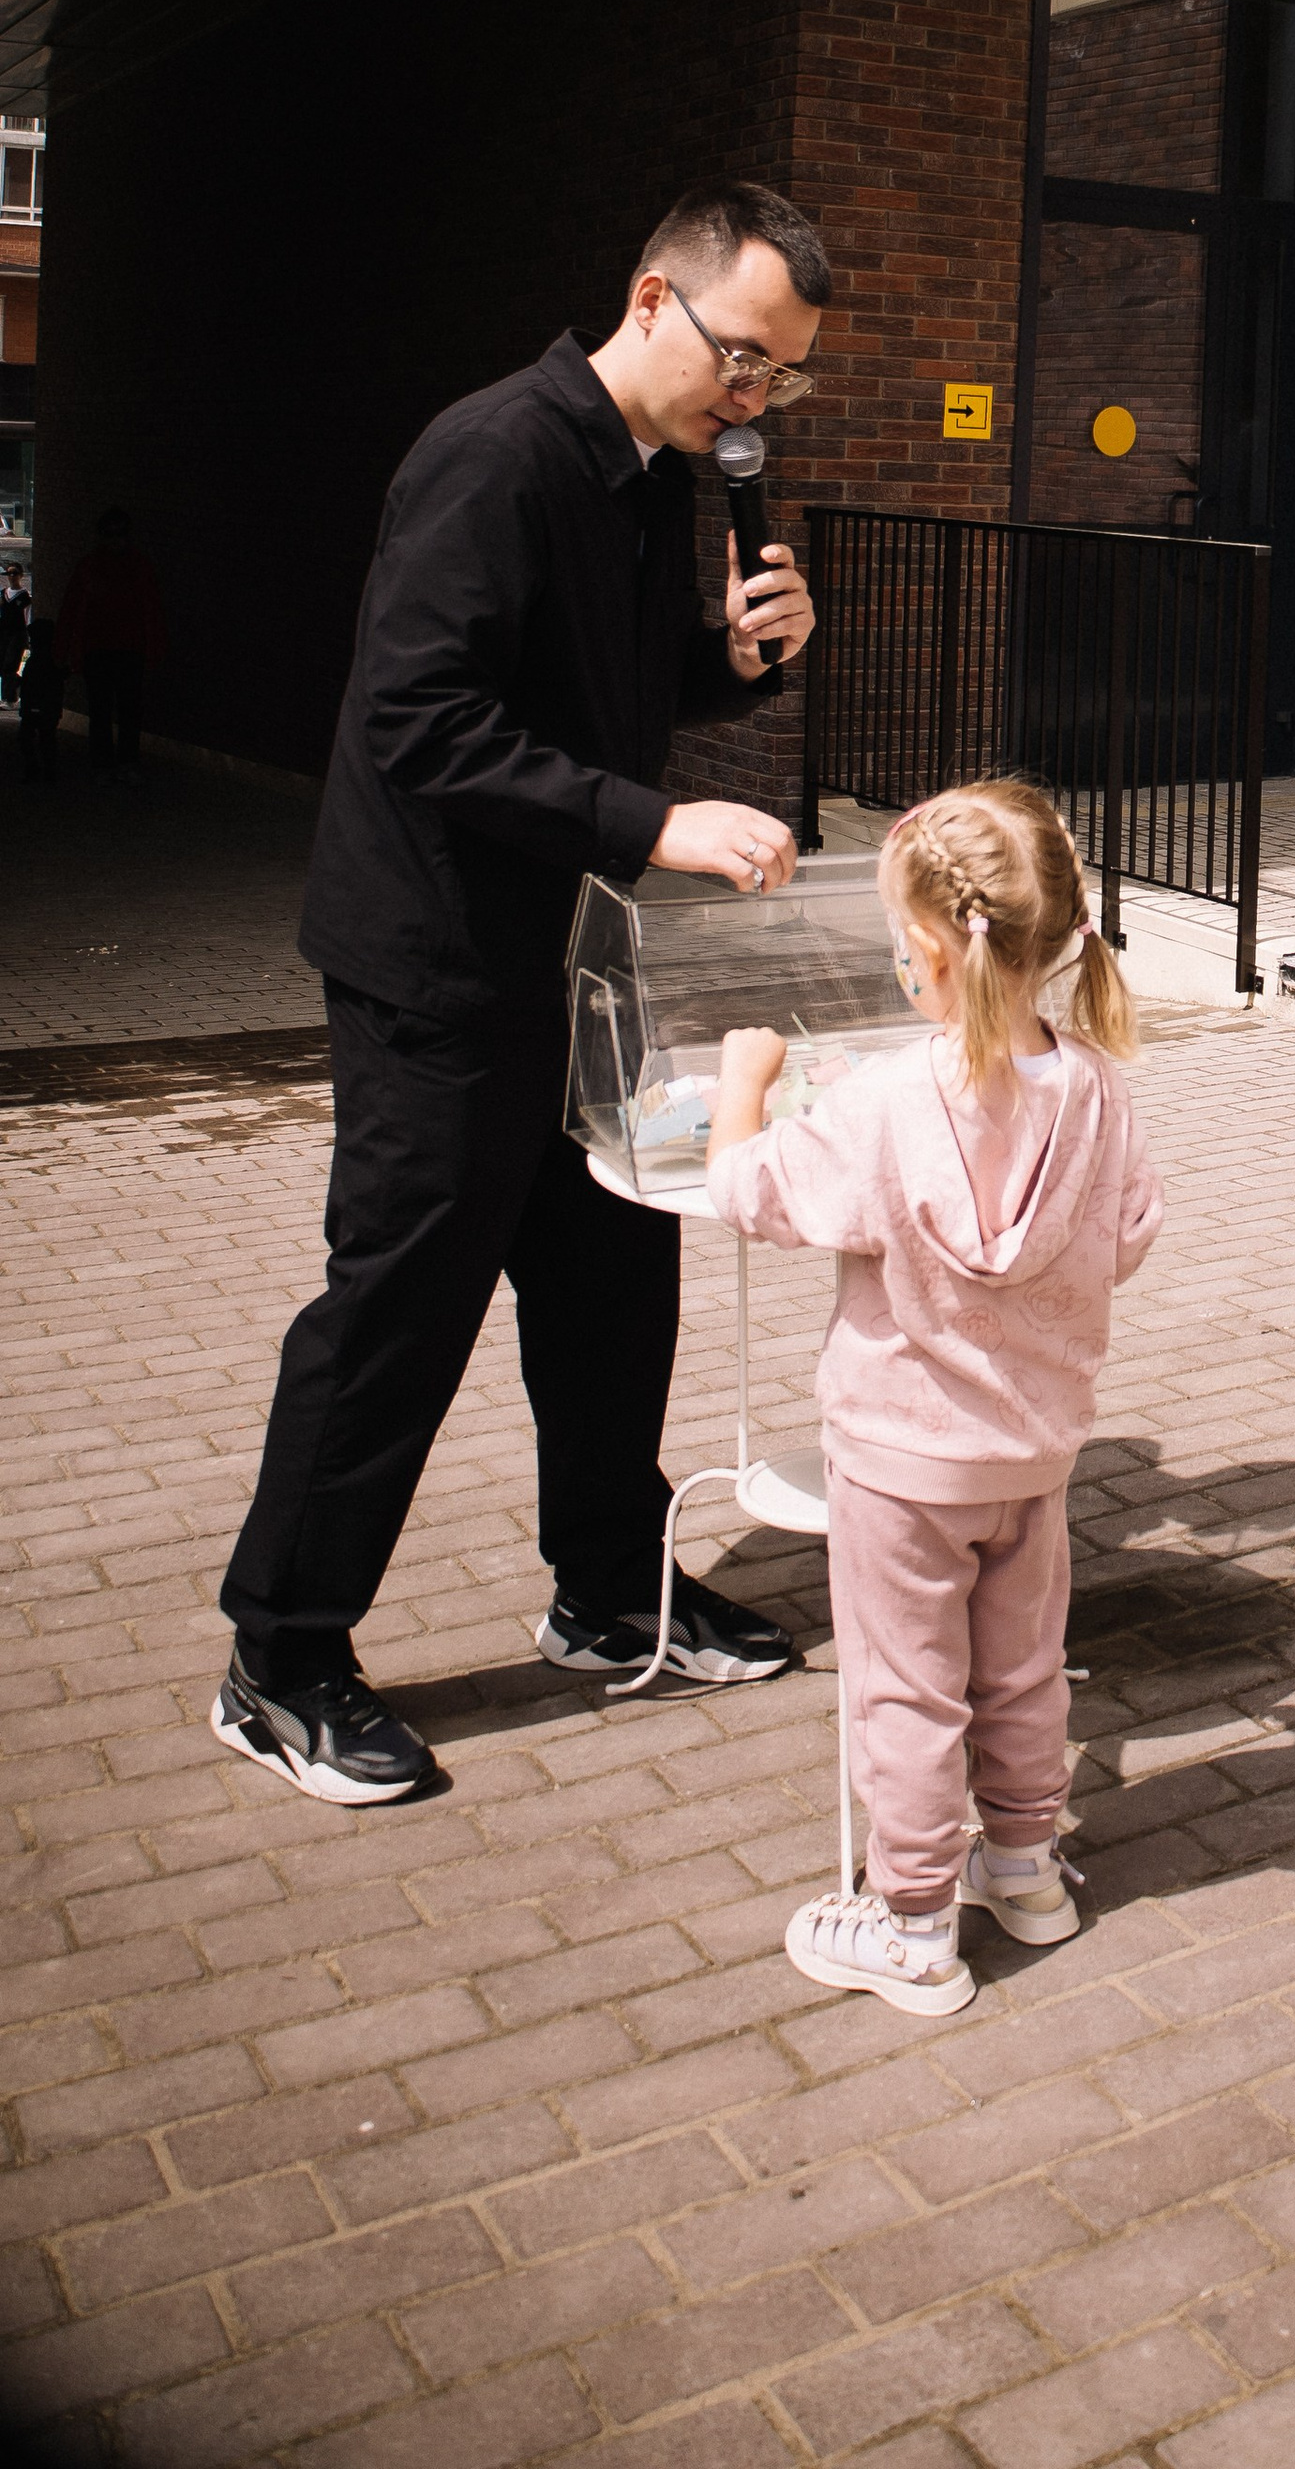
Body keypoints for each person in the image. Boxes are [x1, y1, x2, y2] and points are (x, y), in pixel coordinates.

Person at [214, 184, 828, 1807]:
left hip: (576, 965)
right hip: (439, 968)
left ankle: (609, 1586)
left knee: (615, 1281)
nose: (751, 404)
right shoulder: (495, 456)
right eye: (743, 361)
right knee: (399, 1311)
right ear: (653, 299)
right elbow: (422, 720)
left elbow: (599, 701)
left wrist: (732, 663)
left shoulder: (649, 479)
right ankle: (278, 1658)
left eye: (778, 381)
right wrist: (656, 822)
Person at [706, 784, 1156, 2013]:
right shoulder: (1101, 1091)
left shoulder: (881, 1101)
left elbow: (750, 1191)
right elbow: (1126, 1239)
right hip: (1033, 1452)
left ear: (939, 953)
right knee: (1022, 1672)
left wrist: (747, 1080)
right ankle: (1025, 1870)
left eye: (902, 950)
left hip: (900, 1462)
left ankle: (911, 1923)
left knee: (905, 1689)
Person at [53, 506, 166, 777]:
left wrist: (62, 652)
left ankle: (107, 763)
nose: (114, 540)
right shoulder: (137, 566)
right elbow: (152, 610)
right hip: (122, 649)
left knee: (106, 709)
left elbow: (71, 610)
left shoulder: (90, 567)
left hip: (104, 648)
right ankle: (122, 761)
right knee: (122, 709)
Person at [16, 610, 62, 780]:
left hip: (33, 708)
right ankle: (48, 770)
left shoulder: (35, 662)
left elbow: (30, 685)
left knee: (27, 738)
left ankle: (34, 768)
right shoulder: (52, 661)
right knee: (47, 738)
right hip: (48, 708)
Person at [0, 560, 29, 707]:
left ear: (20, 576)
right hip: (3, 634)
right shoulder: (3, 594)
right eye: (9, 574)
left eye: (14, 573)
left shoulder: (24, 597)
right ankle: (21, 684)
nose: (11, 576)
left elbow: (28, 617)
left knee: (10, 665)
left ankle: (9, 699)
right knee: (3, 665)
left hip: (17, 634)